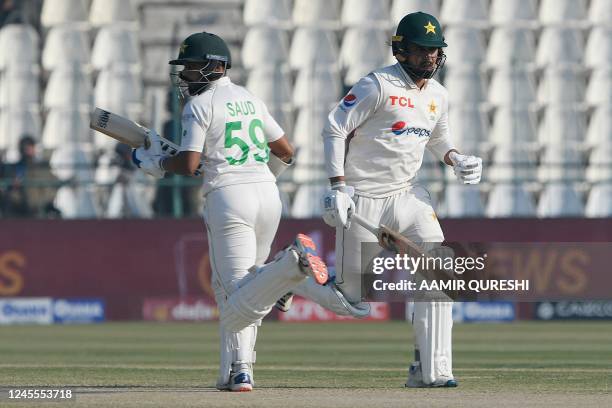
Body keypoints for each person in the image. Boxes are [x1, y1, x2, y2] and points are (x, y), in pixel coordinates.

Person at [277, 12, 483, 388]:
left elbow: (438, 138)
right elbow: (334, 127)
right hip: (364, 200)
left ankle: (432, 370)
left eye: (436, 52)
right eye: (422, 51)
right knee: (353, 301)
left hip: (407, 195)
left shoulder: (438, 94)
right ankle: (292, 275)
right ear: (402, 50)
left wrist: (456, 158)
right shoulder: (378, 85)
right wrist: (338, 185)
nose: (431, 59)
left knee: (438, 267)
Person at [129, 32, 329, 392]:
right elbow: (286, 150)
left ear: (213, 66)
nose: (185, 76)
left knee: (235, 291)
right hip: (268, 194)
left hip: (229, 199)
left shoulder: (199, 105)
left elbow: (189, 164)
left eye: (190, 68)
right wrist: (261, 175)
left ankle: (287, 270)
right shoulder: (250, 98)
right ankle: (239, 370)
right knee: (243, 291)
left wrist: (155, 163)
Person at [1, 135, 58, 217]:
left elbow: (53, 184)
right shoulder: (15, 167)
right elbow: (8, 186)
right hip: (18, 207)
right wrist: (13, 187)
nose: (28, 150)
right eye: (26, 147)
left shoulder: (42, 167)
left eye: (30, 147)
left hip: (38, 208)